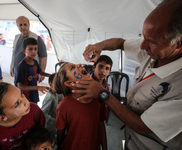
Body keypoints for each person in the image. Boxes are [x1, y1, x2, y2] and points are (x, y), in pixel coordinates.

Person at [72, 0, 182, 149]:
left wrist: (103, 94)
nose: (142, 46)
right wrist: (99, 46)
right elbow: (120, 43)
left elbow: (143, 126)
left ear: (178, 43)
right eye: (143, 37)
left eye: (151, 42)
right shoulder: (155, 48)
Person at [54, 62, 107, 150]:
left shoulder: (98, 98)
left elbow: (101, 125)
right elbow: (60, 132)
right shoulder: (64, 106)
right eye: (72, 68)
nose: (79, 65)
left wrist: (105, 148)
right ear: (69, 83)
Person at [0, 82, 46, 149]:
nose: (25, 101)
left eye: (21, 94)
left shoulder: (34, 110)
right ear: (1, 117)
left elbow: (41, 134)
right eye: (17, 104)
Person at [10, 16, 47, 86]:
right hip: (17, 73)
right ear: (17, 26)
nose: (23, 27)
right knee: (18, 94)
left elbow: (43, 57)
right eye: (20, 25)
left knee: (29, 95)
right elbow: (14, 53)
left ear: (29, 25)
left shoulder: (37, 38)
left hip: (30, 74)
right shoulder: (16, 37)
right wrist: (11, 67)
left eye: (25, 24)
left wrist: (41, 73)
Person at [16, 37, 50, 104]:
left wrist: (52, 76)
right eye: (30, 49)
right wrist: (37, 87)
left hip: (34, 95)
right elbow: (20, 86)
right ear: (24, 51)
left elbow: (41, 72)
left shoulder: (35, 62)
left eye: (35, 49)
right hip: (25, 98)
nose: (33, 51)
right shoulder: (22, 66)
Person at [41, 73, 58, 144]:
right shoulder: (50, 97)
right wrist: (54, 121)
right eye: (57, 84)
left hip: (53, 124)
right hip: (49, 125)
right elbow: (43, 112)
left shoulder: (56, 93)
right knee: (50, 141)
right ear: (51, 84)